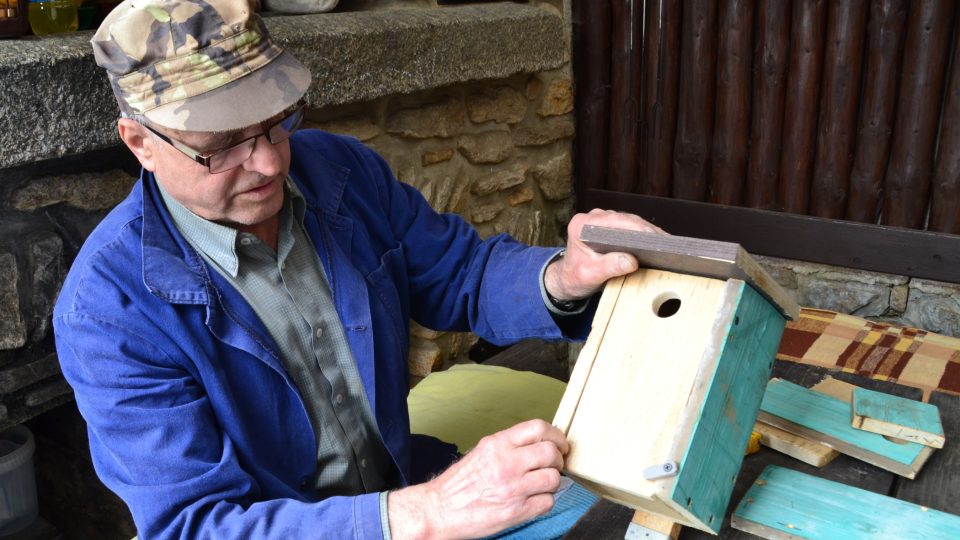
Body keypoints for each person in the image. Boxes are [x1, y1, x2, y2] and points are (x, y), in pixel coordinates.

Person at [53, 0, 662, 538]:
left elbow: (464, 275)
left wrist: (565, 276)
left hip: (403, 487)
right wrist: (429, 513)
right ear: (140, 143)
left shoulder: (338, 172)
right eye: (223, 147)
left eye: (275, 123)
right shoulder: (107, 311)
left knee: (625, 500)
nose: (267, 163)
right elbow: (196, 525)